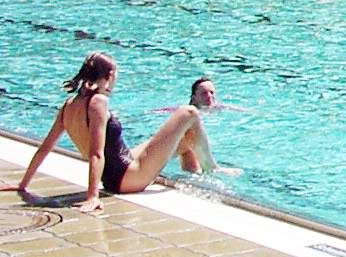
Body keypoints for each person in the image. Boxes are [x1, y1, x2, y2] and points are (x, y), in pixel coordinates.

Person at [3, 52, 216, 211]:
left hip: (120, 170)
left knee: (185, 138)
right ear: (110, 75)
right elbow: (97, 153)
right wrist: (92, 196)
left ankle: (197, 177)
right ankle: (213, 170)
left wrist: (23, 185)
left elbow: (45, 148)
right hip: (128, 178)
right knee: (188, 113)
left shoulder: (69, 104)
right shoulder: (98, 102)